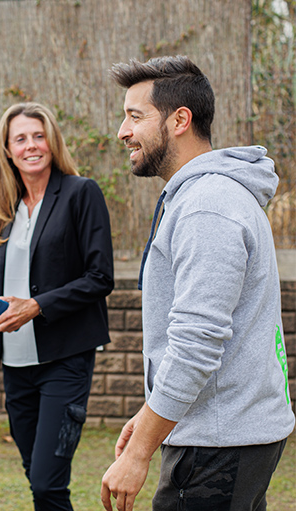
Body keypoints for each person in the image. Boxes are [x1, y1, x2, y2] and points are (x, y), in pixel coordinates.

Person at [100, 55, 295, 511]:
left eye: (135, 117)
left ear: (179, 120)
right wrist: (151, 413)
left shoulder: (208, 205)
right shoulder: (207, 197)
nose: (123, 131)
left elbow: (197, 342)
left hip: (219, 443)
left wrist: (139, 452)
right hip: (227, 435)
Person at [0, 102, 114, 510]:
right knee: (37, 478)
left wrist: (35, 306)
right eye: (20, 139)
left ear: (52, 142)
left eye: (38, 135)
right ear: (8, 150)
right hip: (15, 364)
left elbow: (100, 277)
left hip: (64, 359)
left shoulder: (81, 193)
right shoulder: (5, 209)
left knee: (48, 484)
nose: (31, 145)